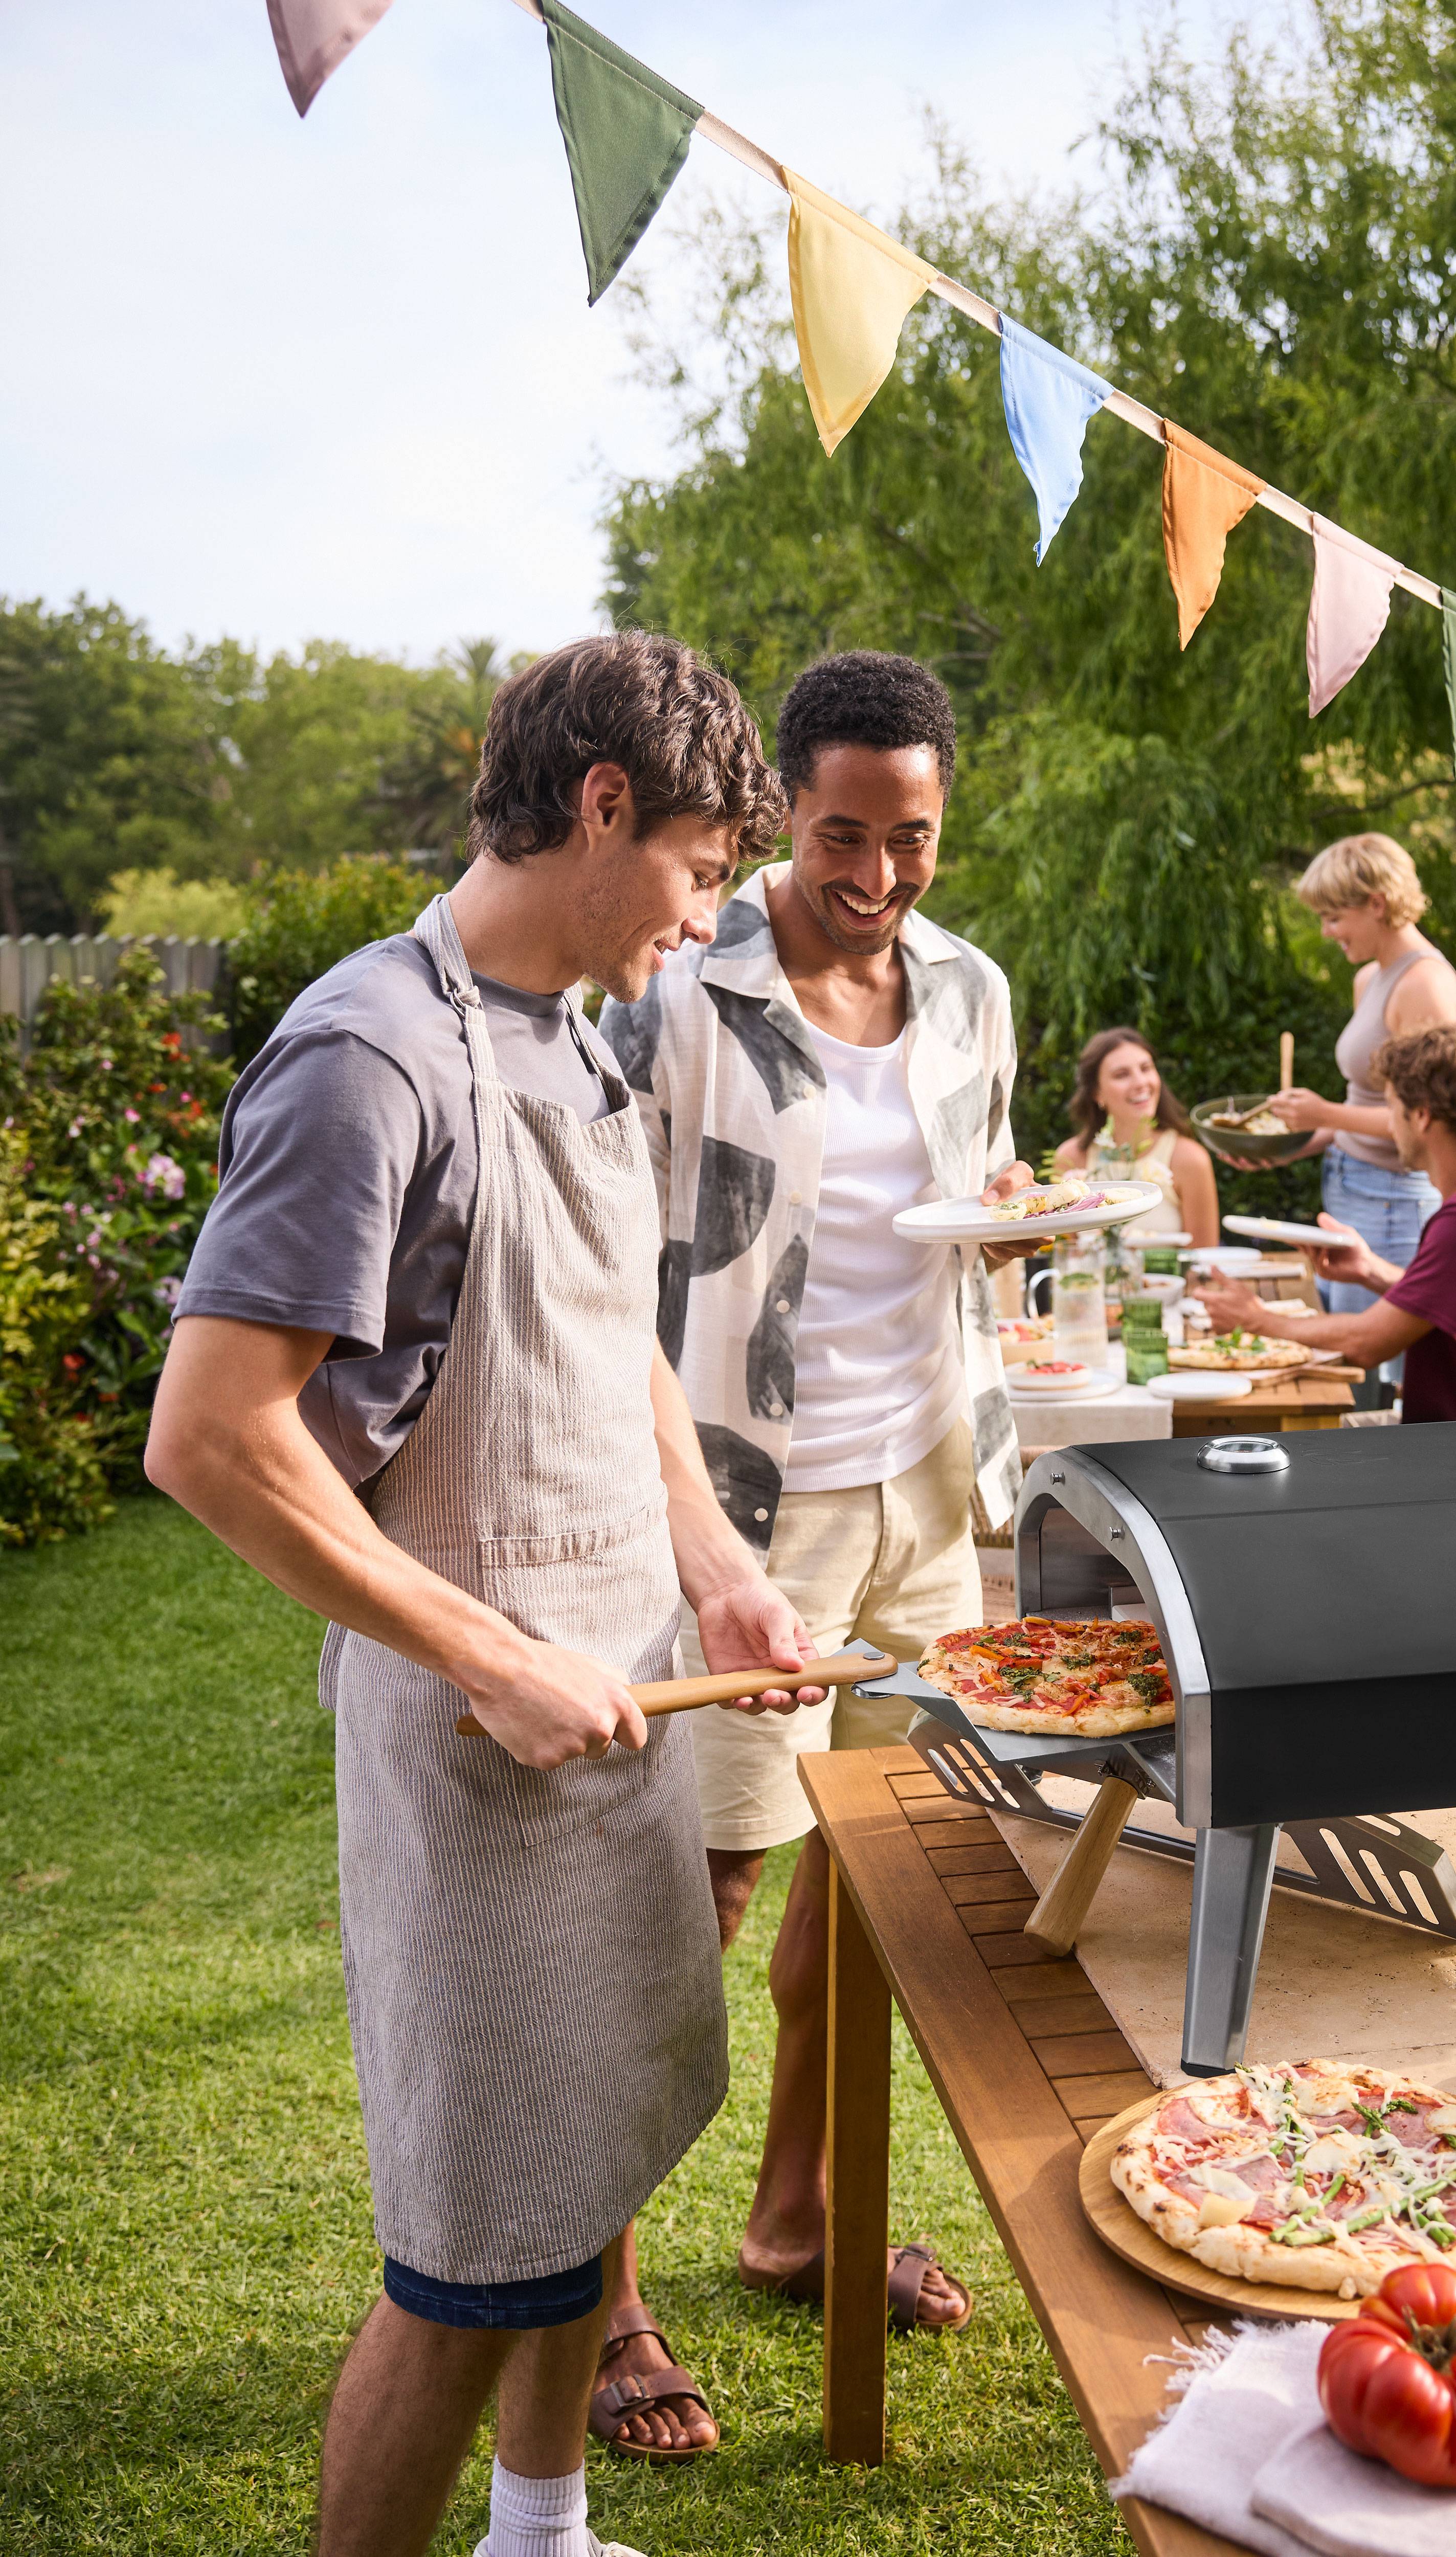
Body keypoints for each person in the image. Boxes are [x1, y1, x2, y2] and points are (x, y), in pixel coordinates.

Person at [145, 634, 823, 2557]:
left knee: (584, 2166)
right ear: (600, 809)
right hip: (476, 1729)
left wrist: (718, 1570)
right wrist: (482, 1646)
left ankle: (543, 2529)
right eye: (698, 862)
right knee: (467, 2258)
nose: (704, 912)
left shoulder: (581, 1030)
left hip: (616, 1689)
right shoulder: (370, 1056)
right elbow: (211, 1434)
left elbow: (609, 1342)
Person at [599, 649, 1032, 2455]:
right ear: (786, 809)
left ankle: (795, 2224)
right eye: (843, 834)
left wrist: (1019, 1229)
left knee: (872, 1896)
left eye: (911, 837)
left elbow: (983, 1218)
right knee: (680, 1910)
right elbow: (589, 1255)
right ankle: (601, 2299)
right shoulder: (681, 989)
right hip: (731, 1512)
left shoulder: (969, 991)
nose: (876, 875)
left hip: (923, 1501)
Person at [1198, 1023, 1456, 1421]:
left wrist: (1257, 1321)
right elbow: (1446, 1303)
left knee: (1286, 1450)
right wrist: (1370, 1270)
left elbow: (1367, 1342)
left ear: (1420, 1117)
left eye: (1391, 1110)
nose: (1389, 1127)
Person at [1261, 834, 1456, 1396]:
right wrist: (1291, 1145)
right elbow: (1365, 1107)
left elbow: (1431, 1121)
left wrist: (1321, 1110)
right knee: (1348, 1368)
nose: (1327, 931)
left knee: (1371, 1372)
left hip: (1395, 1202)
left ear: (1377, 902)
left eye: (1333, 917)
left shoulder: (1425, 984)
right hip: (1352, 1184)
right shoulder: (1370, 977)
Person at [1052, 1025, 1219, 1245]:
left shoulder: (1189, 1159)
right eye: (1122, 1075)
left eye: (1146, 1068)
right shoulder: (1071, 1158)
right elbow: (1068, 1253)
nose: (1141, 1083)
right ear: (1096, 1092)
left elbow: (1204, 1260)